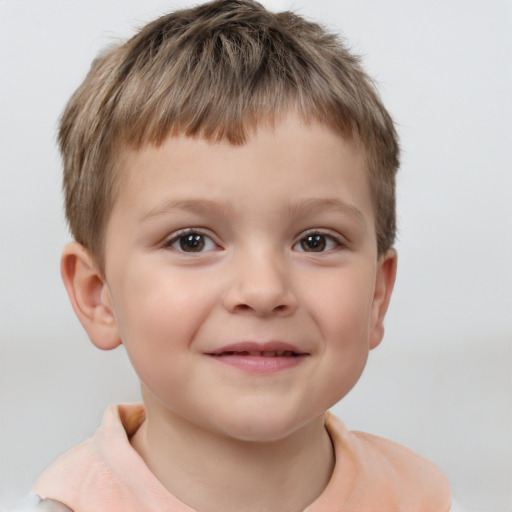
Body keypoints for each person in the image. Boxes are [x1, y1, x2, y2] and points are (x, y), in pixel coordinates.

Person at [21, 0, 461, 510]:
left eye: (315, 241)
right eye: (192, 241)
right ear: (98, 295)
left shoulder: (425, 499)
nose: (263, 290)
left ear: (378, 296)